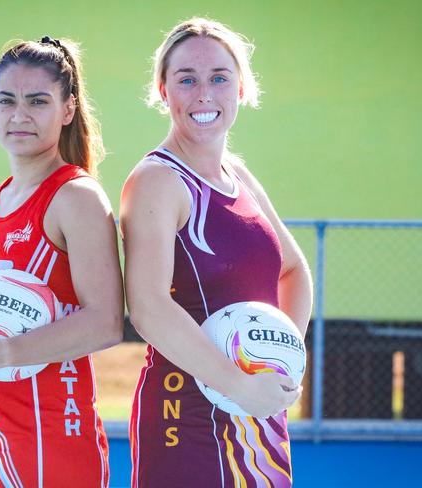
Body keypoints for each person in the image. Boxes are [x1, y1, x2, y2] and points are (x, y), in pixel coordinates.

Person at [120, 18, 313, 487]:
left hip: (257, 415)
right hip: (183, 417)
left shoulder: (239, 176)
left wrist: (279, 360)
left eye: (219, 77)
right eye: (186, 79)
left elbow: (293, 271)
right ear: (163, 91)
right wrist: (239, 385)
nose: (204, 93)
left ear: (241, 87)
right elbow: (147, 307)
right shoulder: (156, 181)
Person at [0, 36, 124, 488]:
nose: (19, 114)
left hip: (50, 441)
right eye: (6, 100)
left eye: (37, 101)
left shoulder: (76, 197)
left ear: (67, 110)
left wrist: (3, 352)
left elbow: (106, 322)